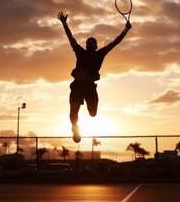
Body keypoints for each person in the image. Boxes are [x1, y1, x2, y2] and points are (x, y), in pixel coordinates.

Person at [57, 11, 132, 143]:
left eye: (93, 42)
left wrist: (126, 29)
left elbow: (115, 42)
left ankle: (83, 115)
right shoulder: (80, 52)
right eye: (89, 42)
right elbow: (71, 38)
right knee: (73, 111)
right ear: (86, 45)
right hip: (77, 86)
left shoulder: (100, 54)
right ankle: (75, 127)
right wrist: (64, 23)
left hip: (90, 88)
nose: (91, 43)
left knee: (93, 114)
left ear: (96, 46)